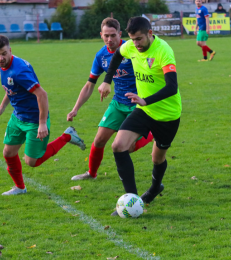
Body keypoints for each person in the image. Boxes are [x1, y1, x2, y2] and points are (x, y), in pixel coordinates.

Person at [98, 16, 182, 216]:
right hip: (144, 110)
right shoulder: (131, 47)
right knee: (118, 146)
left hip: (167, 114)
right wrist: (107, 81)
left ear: (150, 34)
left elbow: (172, 86)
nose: (135, 44)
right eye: (132, 39)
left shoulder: (163, 51)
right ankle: (132, 201)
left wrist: (146, 100)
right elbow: (117, 55)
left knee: (157, 157)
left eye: (139, 39)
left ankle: (154, 188)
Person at [67, 18, 153, 181]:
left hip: (137, 105)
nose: (109, 39)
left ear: (120, 34)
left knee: (127, 147)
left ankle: (152, 132)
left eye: (113, 35)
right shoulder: (101, 56)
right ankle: (91, 173)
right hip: (118, 103)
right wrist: (75, 108)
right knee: (99, 140)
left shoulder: (132, 49)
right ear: (101, 35)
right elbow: (89, 85)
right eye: (106, 36)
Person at [0, 35, 86, 195]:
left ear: (10, 50)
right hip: (18, 116)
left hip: (34, 119)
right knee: (8, 153)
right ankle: (19, 187)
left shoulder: (19, 70)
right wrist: (3, 106)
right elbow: (10, 88)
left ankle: (67, 136)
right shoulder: (4, 67)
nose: (1, 58)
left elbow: (42, 95)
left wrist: (41, 124)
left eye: (4, 53)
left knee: (32, 161)